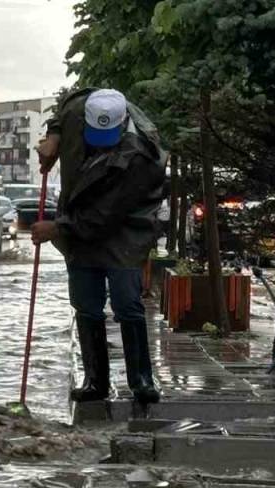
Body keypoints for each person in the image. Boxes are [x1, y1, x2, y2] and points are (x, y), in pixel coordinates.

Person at [31, 88, 167, 405]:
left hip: (124, 230)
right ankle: (96, 381)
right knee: (86, 303)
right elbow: (68, 104)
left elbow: (106, 216)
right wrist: (53, 136)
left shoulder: (142, 157)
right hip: (79, 226)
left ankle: (141, 381)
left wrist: (56, 228)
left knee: (126, 303)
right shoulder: (82, 110)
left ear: (122, 125)